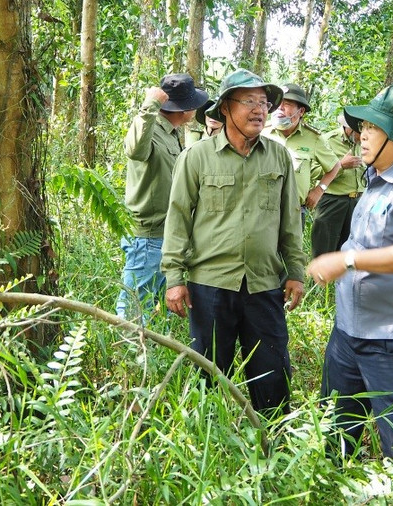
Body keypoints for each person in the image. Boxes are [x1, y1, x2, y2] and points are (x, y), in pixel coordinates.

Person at [306, 84, 393, 492]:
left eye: (372, 129)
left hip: (389, 340)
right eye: (362, 127)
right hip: (348, 331)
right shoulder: (375, 178)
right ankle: (328, 492)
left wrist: (345, 260)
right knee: (334, 427)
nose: (361, 135)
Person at [161, 69, 307, 415]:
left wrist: (296, 271)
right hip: (211, 286)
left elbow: (290, 220)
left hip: (263, 285)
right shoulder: (196, 157)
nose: (260, 110)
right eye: (250, 102)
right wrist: (174, 279)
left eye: (264, 102)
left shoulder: (278, 157)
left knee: (272, 376)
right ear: (225, 108)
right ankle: (206, 446)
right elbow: (178, 218)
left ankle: (274, 445)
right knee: (208, 375)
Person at [117, 73, 209, 320]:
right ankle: (128, 353)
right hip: (147, 237)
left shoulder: (171, 132)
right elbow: (135, 150)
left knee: (154, 306)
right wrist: (149, 105)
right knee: (135, 310)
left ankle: (148, 353)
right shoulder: (152, 128)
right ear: (184, 108)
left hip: (164, 234)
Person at [262, 83, 341, 228]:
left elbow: (335, 165)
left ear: (301, 111)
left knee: (292, 251)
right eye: (278, 103)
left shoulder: (313, 138)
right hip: (261, 211)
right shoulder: (261, 132)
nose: (280, 107)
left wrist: (319, 190)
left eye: (287, 104)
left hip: (295, 213)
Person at [310, 114, 365, 258]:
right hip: (332, 201)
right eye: (360, 132)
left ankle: (341, 281)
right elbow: (313, 171)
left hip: (356, 202)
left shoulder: (364, 143)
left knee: (349, 252)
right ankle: (318, 280)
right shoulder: (327, 141)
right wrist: (341, 166)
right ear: (349, 129)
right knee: (323, 251)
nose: (363, 136)